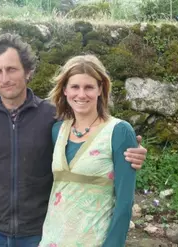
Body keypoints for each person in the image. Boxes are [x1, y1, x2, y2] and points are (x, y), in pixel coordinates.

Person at [0, 33, 147, 247]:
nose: (5, 78)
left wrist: (133, 151)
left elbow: (94, 137)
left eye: (12, 69)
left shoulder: (53, 118)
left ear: (28, 71)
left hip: (38, 234)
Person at [39, 54, 137, 247]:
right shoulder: (57, 131)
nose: (81, 94)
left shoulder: (119, 132)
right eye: (75, 87)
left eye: (89, 87)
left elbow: (125, 202)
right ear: (65, 90)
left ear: (100, 89)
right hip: (52, 240)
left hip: (94, 241)